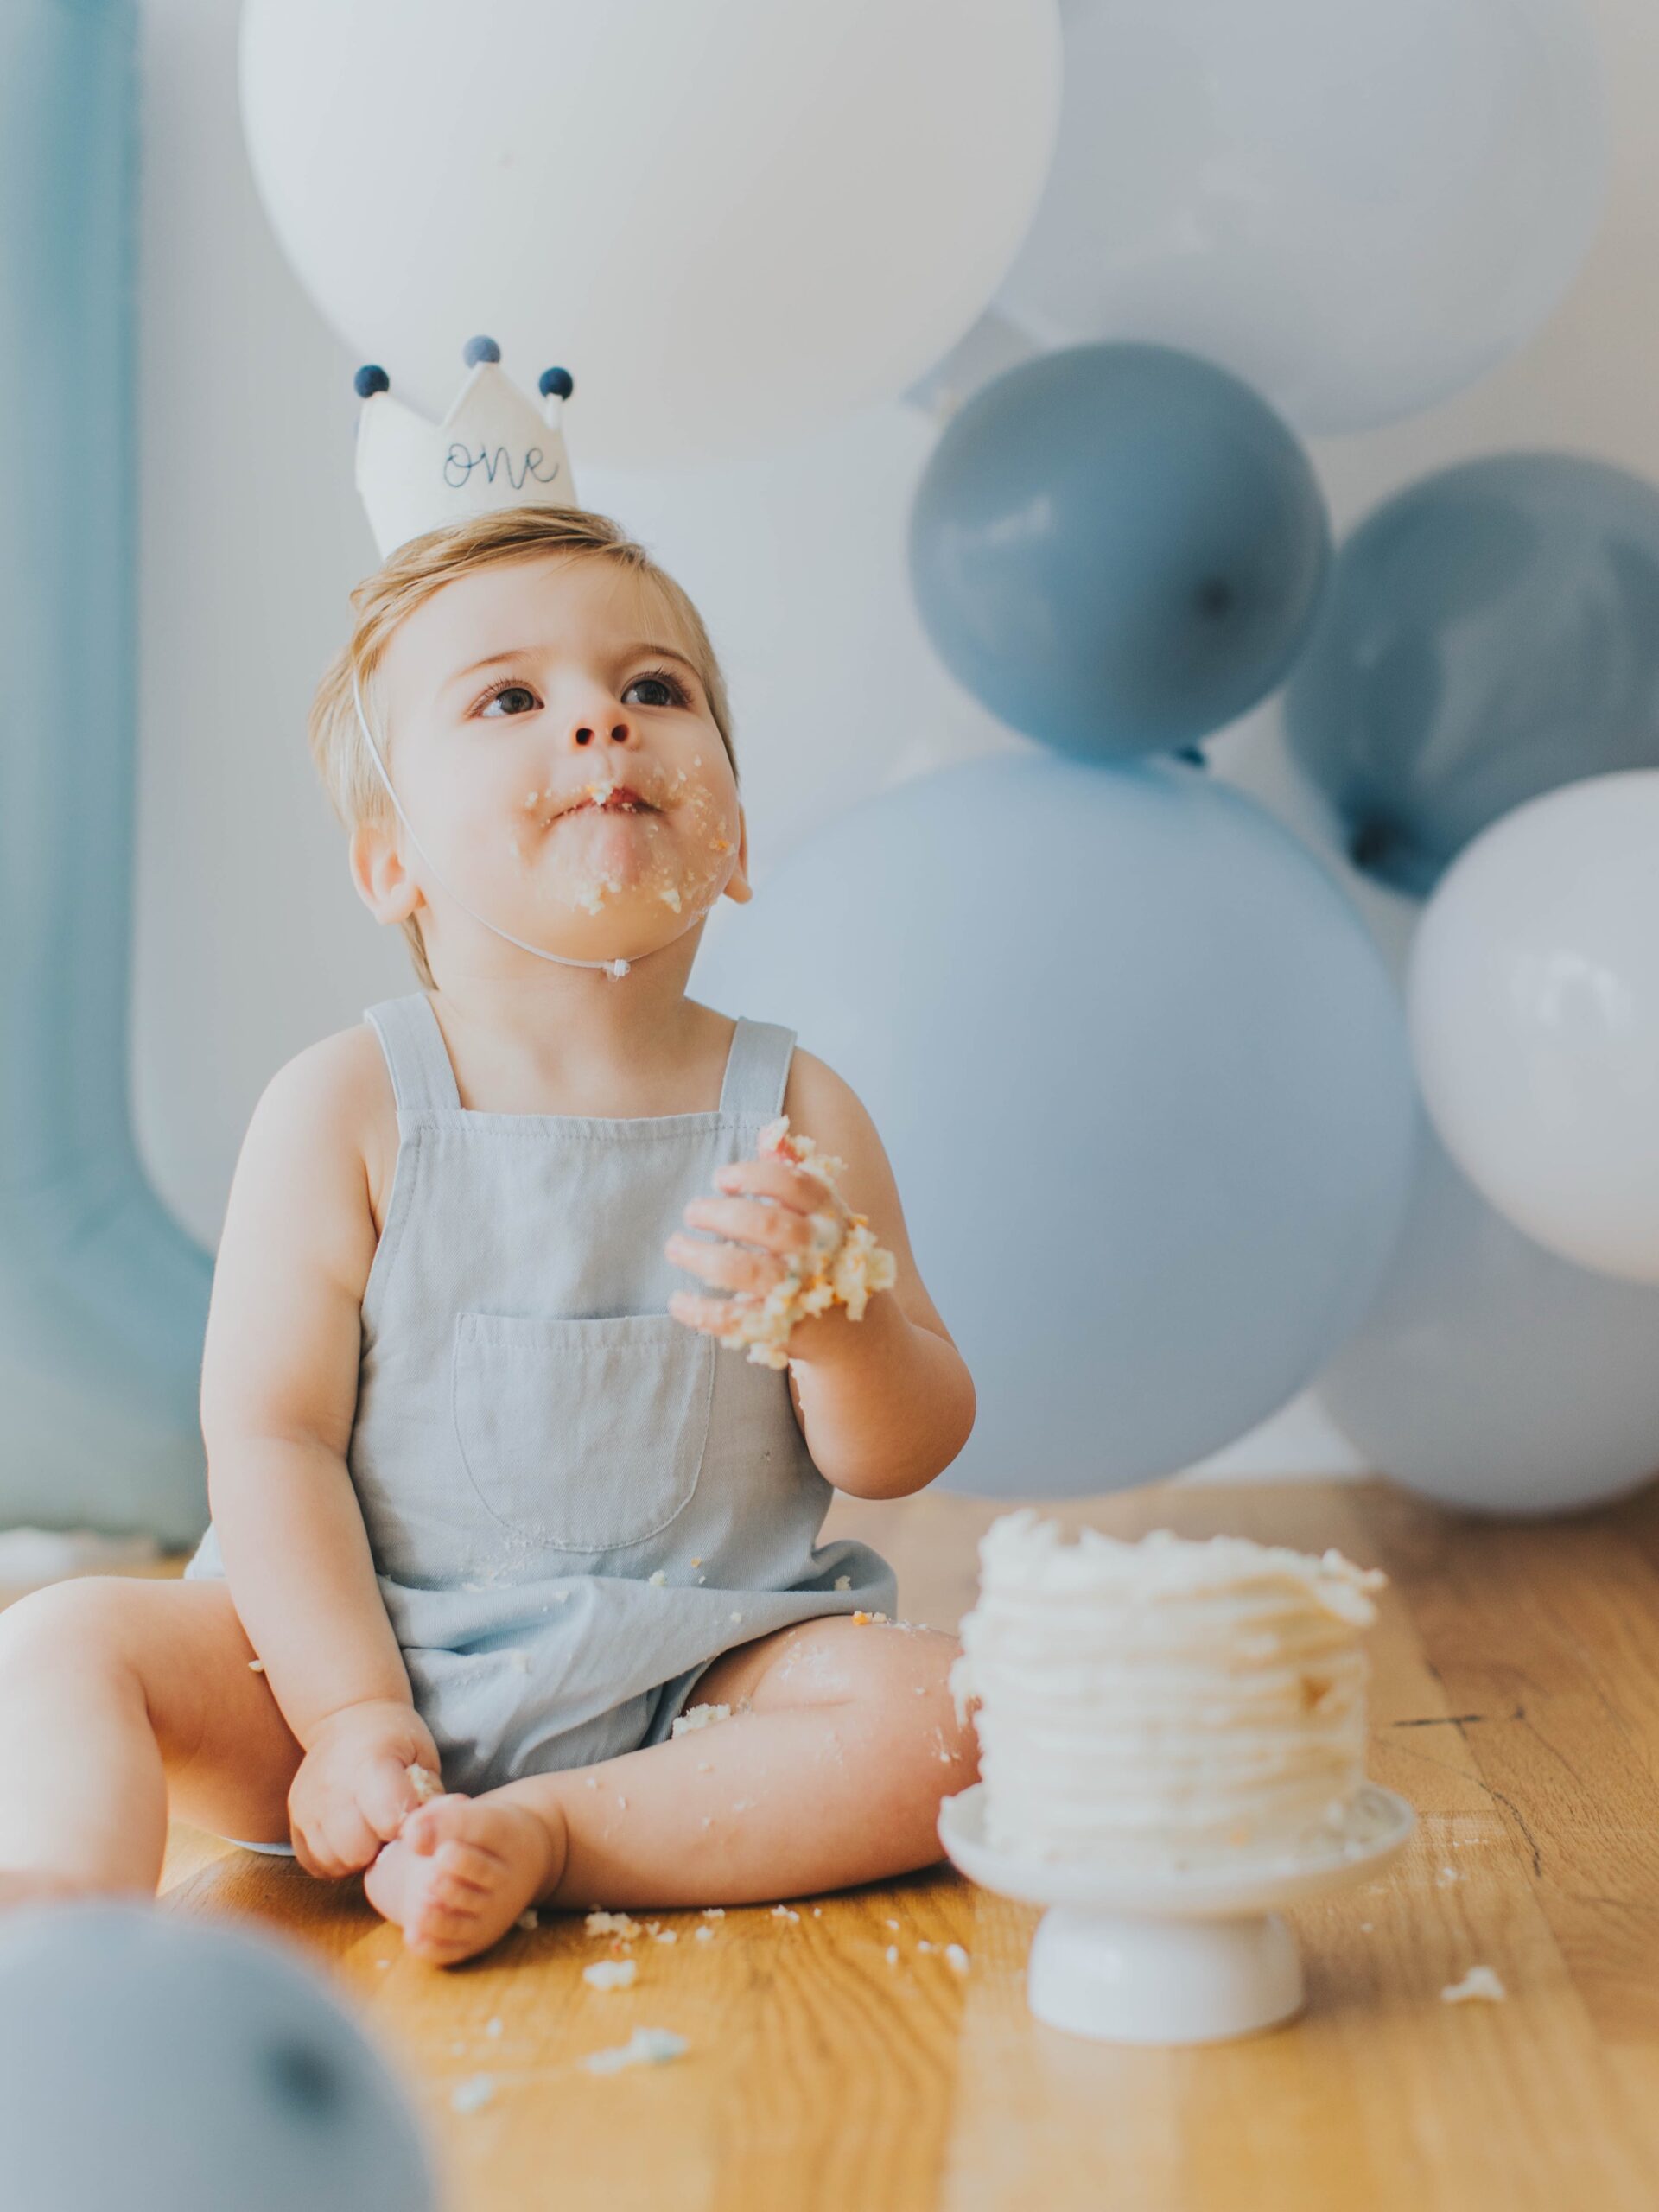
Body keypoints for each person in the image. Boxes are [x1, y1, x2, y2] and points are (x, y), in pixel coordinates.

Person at [0, 489, 978, 1966]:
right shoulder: (349, 1107)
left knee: (954, 1718)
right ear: (390, 858)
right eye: (513, 696)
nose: (601, 721)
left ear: (740, 837)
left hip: (698, 1677)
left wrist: (846, 1334)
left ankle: (563, 1831)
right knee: (65, 1637)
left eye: (655, 688)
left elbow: (905, 1446)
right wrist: (347, 1717)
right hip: (341, 1666)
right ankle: (63, 1929)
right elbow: (270, 1441)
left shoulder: (794, 1109)